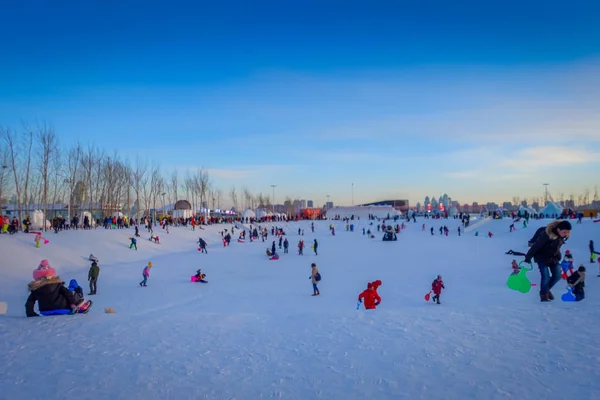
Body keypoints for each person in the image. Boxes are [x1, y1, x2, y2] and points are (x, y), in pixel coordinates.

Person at [524, 220, 572, 302]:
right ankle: (544, 296)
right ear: (558, 230)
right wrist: (528, 257)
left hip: (553, 258)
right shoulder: (546, 235)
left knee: (557, 276)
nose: (566, 234)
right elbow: (536, 246)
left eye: (567, 232)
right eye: (564, 232)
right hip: (541, 257)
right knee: (545, 276)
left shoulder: (561, 236)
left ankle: (545, 290)